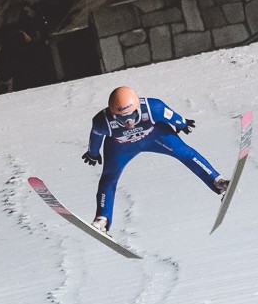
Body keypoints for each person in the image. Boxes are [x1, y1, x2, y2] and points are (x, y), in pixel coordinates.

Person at [83, 86, 229, 234]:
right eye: (122, 117)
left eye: (131, 114)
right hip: (121, 146)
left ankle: (217, 180)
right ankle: (102, 219)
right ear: (113, 114)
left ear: (137, 108)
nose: (128, 121)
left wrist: (182, 123)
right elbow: (95, 137)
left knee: (184, 152)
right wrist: (93, 153)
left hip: (155, 137)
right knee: (109, 178)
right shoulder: (102, 121)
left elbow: (171, 115)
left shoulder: (153, 107)